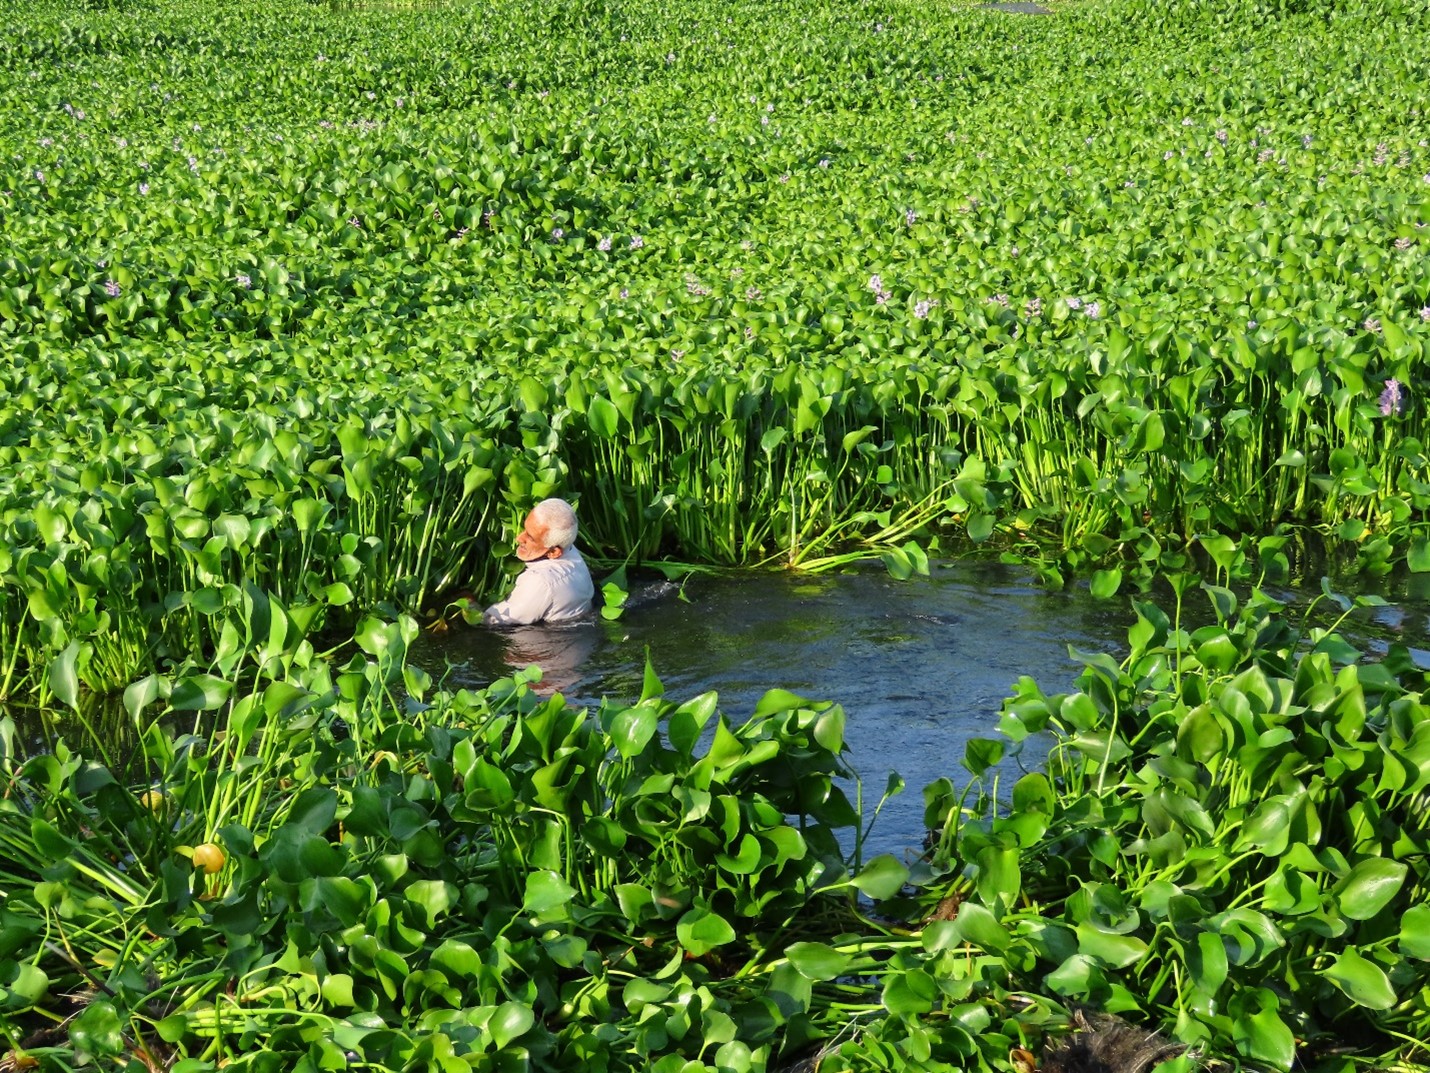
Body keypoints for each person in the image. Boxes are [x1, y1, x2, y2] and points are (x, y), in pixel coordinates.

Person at [482, 498, 595, 626]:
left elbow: (495, 620)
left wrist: (470, 604)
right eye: (525, 529)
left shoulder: (540, 581)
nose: (519, 538)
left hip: (550, 640)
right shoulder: (571, 550)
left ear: (554, 552)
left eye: (530, 538)